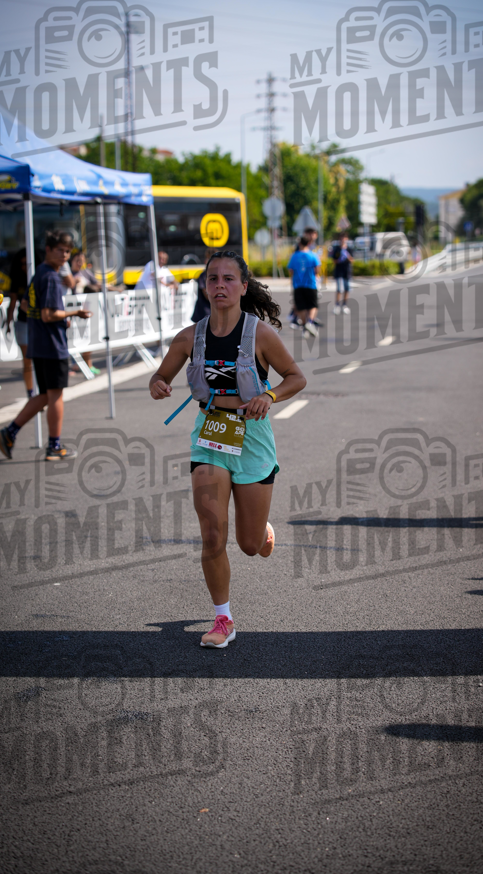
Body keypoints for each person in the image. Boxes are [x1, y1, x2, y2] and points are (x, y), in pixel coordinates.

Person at [148, 250, 306, 648]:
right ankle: (223, 619)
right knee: (212, 535)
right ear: (205, 286)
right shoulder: (190, 336)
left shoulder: (260, 335)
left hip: (252, 436)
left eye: (228, 279)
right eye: (213, 279)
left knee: (249, 546)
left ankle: (261, 530)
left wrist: (268, 395)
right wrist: (158, 385)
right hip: (211, 434)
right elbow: (159, 376)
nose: (220, 285)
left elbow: (296, 378)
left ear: (243, 287)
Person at [0, 230, 92, 462]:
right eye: (60, 250)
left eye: (68, 251)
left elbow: (28, 306)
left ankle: (9, 432)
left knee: (46, 394)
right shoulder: (50, 277)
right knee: (55, 396)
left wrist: (55, 317)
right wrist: (74, 313)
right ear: (48, 250)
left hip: (39, 341)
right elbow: (48, 314)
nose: (65, 255)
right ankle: (54, 446)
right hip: (51, 343)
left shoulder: (40, 272)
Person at [5, 249, 34, 397]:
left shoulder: (37, 276)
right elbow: (13, 302)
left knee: (39, 360)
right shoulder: (16, 278)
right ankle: (30, 392)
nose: (24, 266)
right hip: (23, 322)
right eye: (21, 263)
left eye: (26, 263)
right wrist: (8, 321)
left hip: (38, 323)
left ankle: (40, 393)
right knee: (27, 360)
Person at [70, 250, 101, 376]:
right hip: (72, 311)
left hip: (85, 310)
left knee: (88, 337)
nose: (80, 263)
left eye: (82, 261)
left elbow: (97, 284)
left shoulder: (86, 272)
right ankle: (75, 364)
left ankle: (88, 364)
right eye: (78, 260)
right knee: (73, 338)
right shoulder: (68, 273)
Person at [287, 234, 321, 338]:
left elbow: (290, 270)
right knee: (313, 305)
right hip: (310, 284)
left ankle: (305, 325)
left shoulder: (294, 256)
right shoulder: (313, 255)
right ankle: (309, 323)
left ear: (299, 243)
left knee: (301, 306)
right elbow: (317, 270)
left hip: (298, 284)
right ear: (309, 243)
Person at [329, 234, 354, 314]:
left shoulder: (349, 249)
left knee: (347, 289)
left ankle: (344, 305)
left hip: (347, 271)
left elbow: (352, 260)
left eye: (344, 238)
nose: (343, 239)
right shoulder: (336, 249)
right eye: (341, 238)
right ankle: (337, 305)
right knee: (339, 289)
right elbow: (334, 260)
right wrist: (339, 259)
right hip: (339, 271)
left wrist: (347, 256)